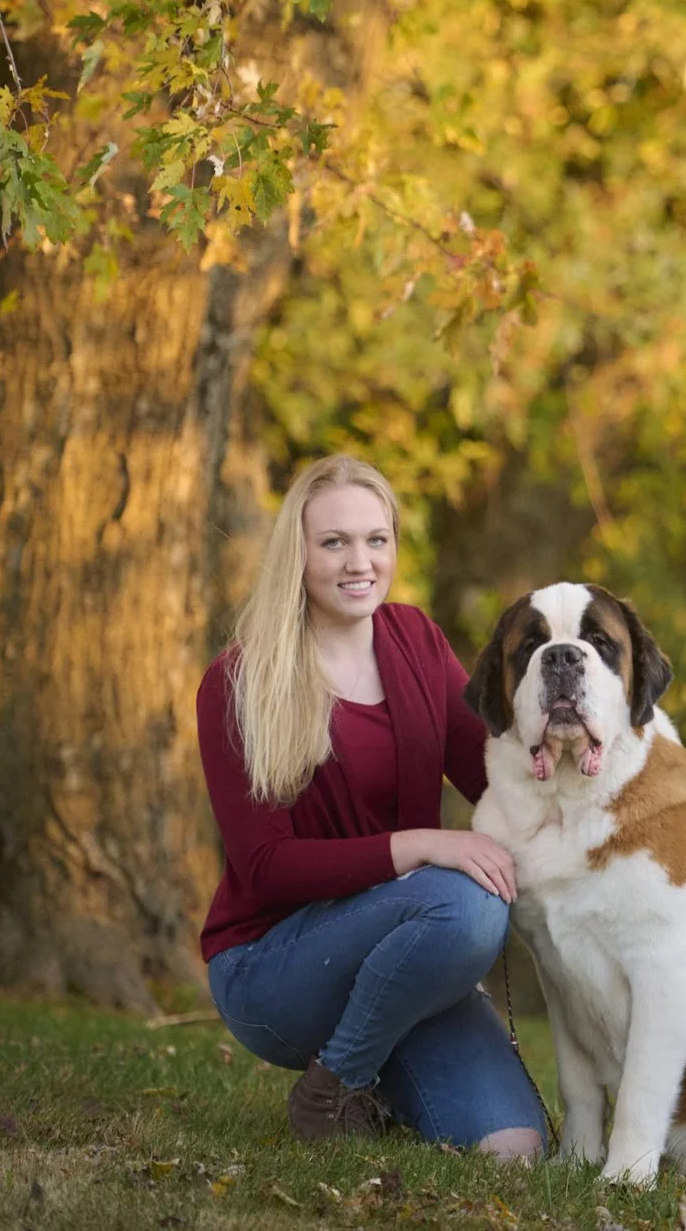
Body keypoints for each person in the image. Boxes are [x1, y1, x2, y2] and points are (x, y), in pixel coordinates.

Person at [197, 452, 545, 1160]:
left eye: (375, 540)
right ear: (297, 552)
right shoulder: (238, 682)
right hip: (276, 969)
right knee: (470, 905)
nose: (360, 562)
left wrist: (576, 755)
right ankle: (335, 1088)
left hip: (406, 950)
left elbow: (490, 773)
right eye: (334, 542)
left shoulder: (415, 640)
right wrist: (421, 845)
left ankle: (380, 1076)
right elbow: (264, 869)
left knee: (514, 1149)